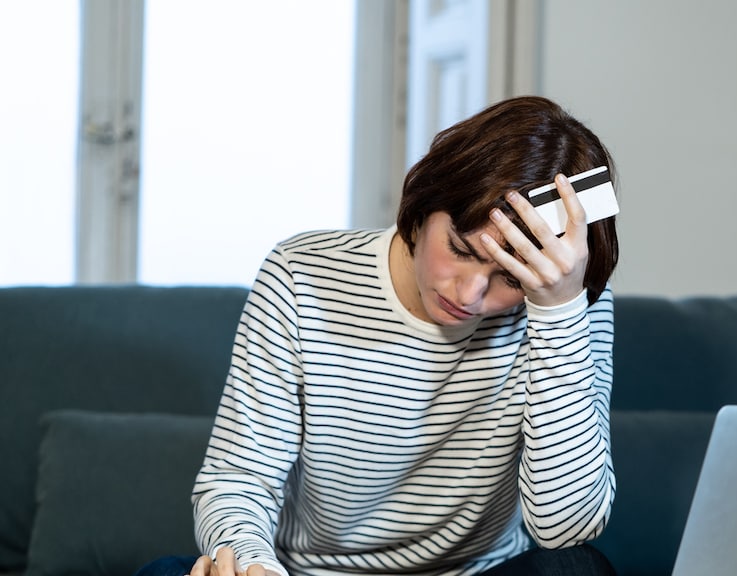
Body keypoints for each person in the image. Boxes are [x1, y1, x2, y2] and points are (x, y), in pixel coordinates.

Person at [135, 95, 620, 576]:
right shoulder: (301, 275)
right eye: (458, 248)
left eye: (511, 277)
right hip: (308, 574)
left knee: (577, 569)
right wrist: (254, 566)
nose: (469, 293)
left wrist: (558, 311)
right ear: (427, 205)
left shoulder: (567, 302)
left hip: (478, 573)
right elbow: (238, 480)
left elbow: (564, 531)